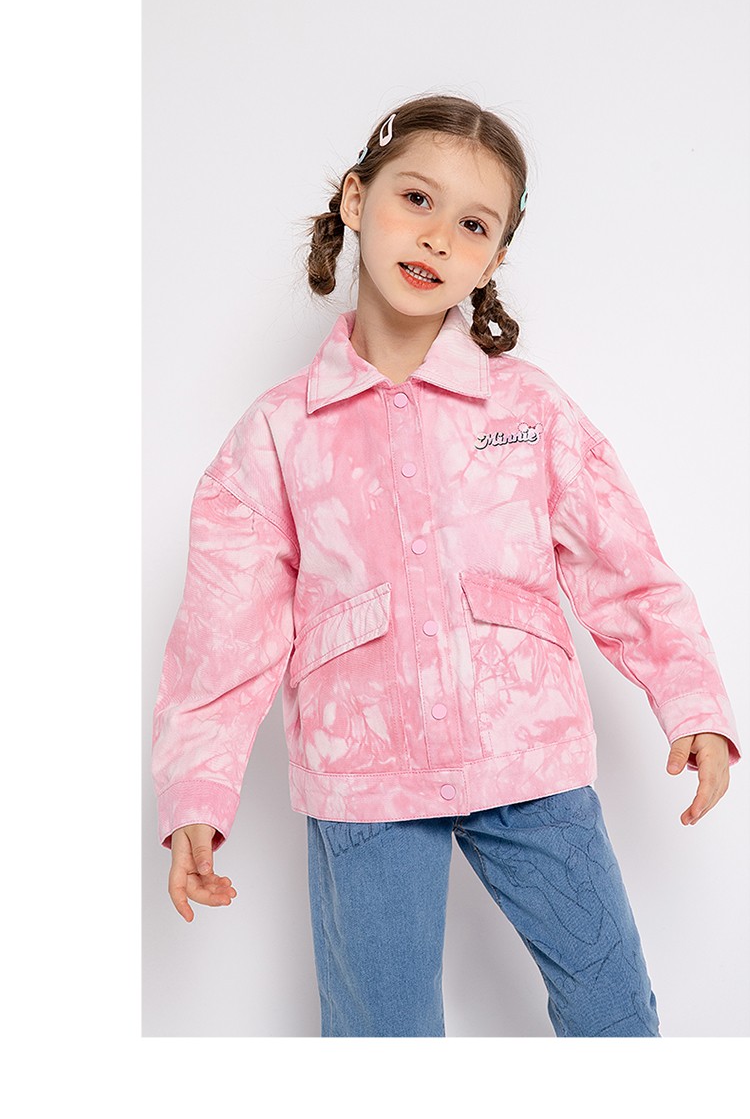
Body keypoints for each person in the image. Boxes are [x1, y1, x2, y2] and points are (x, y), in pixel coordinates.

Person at [151, 92, 742, 1038]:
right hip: (364, 778)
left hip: (530, 758)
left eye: (473, 224)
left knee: (615, 1013)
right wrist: (196, 793)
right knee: (382, 1040)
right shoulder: (277, 434)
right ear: (356, 198)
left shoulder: (529, 409)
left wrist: (694, 702)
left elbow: (626, 564)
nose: (436, 236)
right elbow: (225, 633)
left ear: (495, 256)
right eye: (416, 198)